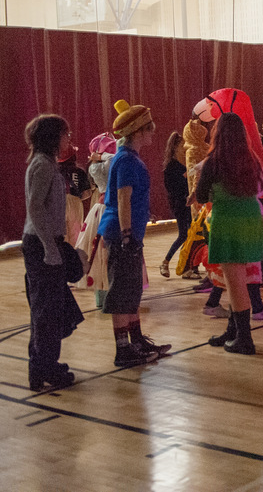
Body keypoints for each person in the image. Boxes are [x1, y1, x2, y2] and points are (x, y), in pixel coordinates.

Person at [98, 99, 171, 367]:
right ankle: (123, 349)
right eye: (150, 129)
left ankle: (136, 341)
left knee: (131, 290)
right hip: (121, 234)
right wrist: (127, 234)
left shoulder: (130, 158)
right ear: (139, 131)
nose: (153, 133)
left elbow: (131, 199)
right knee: (121, 292)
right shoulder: (127, 160)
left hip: (127, 232)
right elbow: (123, 197)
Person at [193, 112, 263, 355]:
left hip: (227, 224)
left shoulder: (213, 162)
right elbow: (259, 187)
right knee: (238, 281)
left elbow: (202, 196)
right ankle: (233, 330)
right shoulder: (251, 159)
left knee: (235, 283)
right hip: (250, 221)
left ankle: (244, 340)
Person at [22, 114, 84, 391]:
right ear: (52, 137)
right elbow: (35, 207)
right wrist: (50, 247)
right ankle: (45, 368)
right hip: (41, 244)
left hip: (45, 242)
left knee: (47, 309)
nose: (68, 139)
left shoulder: (45, 164)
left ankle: (43, 365)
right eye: (65, 133)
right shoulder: (43, 167)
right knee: (47, 311)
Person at [77, 133, 116, 306]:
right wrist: (102, 156)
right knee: (105, 253)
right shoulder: (107, 164)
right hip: (110, 209)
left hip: (99, 209)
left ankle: (101, 297)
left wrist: (98, 156)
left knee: (99, 254)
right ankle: (110, 295)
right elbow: (116, 158)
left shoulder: (94, 166)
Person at [160, 132, 190, 278]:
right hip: (179, 205)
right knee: (183, 235)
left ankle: (187, 266)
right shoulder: (171, 166)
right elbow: (171, 188)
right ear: (176, 147)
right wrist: (183, 178)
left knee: (193, 235)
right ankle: (165, 262)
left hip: (189, 203)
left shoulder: (185, 164)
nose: (185, 147)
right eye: (182, 145)